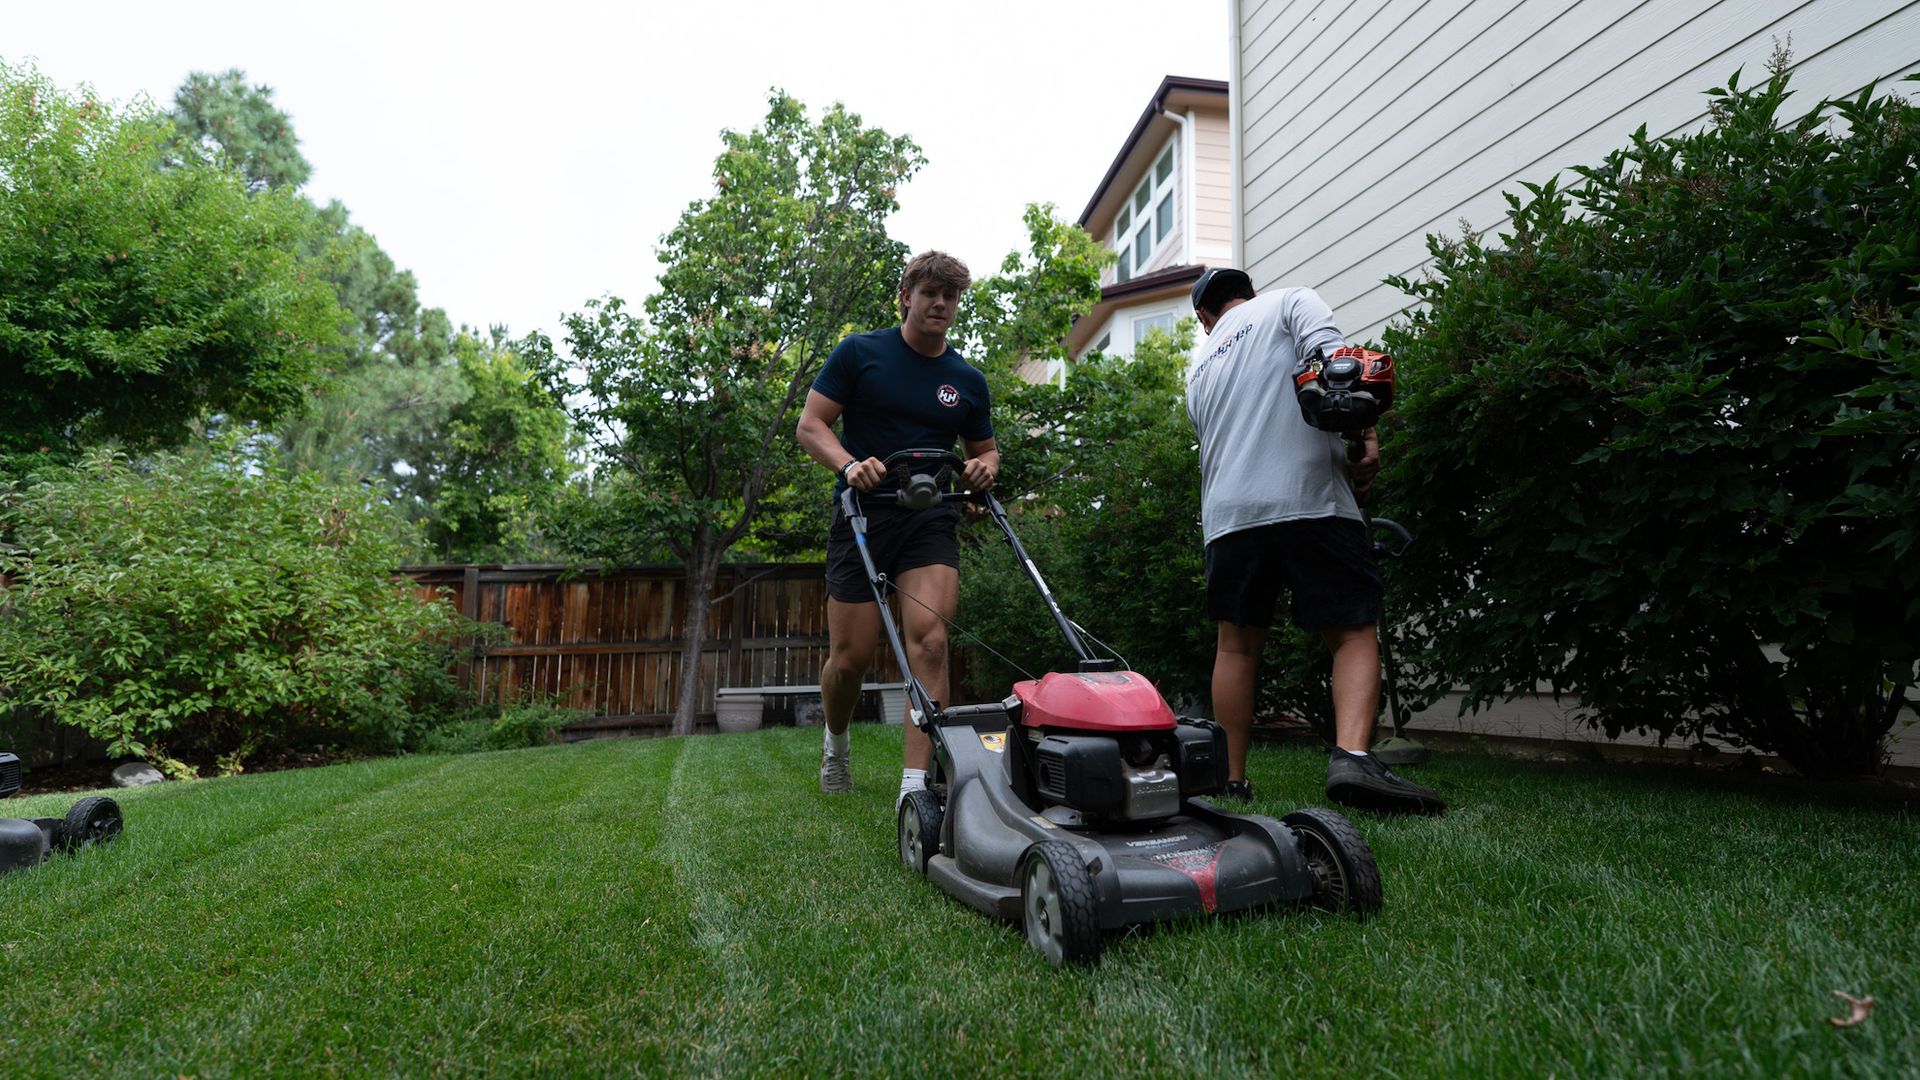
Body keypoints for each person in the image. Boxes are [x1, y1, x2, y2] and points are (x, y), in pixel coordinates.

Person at [1185, 266, 1444, 815]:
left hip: (1229, 516)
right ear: (1244, 295)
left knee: (1235, 646)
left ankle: (1231, 782)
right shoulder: (1289, 302)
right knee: (1351, 633)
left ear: (1205, 316)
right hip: (1308, 499)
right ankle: (1352, 756)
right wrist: (1366, 439)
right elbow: (1338, 372)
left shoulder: (1199, 366)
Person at [795, 251, 999, 808]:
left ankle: (916, 788)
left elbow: (985, 453)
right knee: (850, 658)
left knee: (930, 643)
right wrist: (846, 465)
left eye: (950, 296)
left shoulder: (966, 380)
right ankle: (836, 743)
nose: (940, 304)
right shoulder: (861, 353)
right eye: (930, 292)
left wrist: (985, 469)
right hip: (863, 514)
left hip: (929, 518)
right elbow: (811, 424)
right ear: (906, 296)